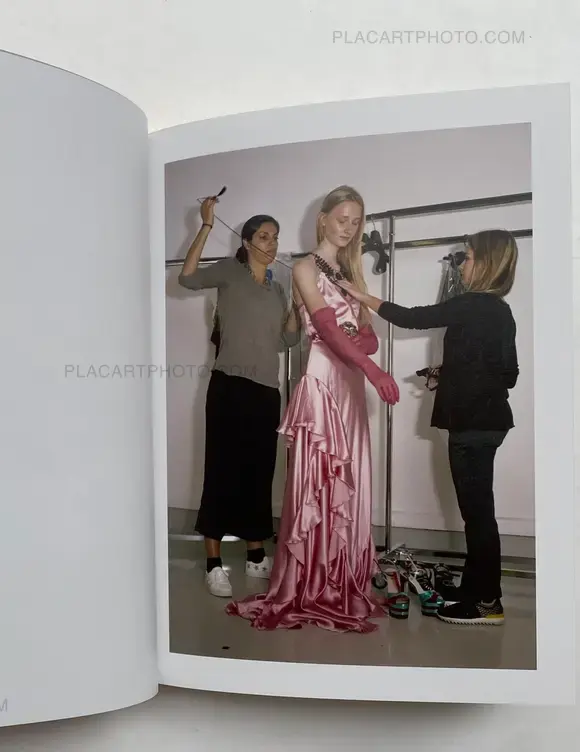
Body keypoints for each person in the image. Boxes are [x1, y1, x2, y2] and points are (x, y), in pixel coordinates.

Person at [226, 185, 399, 633]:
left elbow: (367, 337)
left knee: (350, 481)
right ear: (323, 219)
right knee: (320, 482)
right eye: (342, 218)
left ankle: (343, 578)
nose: (349, 228)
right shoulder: (304, 267)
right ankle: (314, 581)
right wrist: (373, 368)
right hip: (324, 380)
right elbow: (328, 331)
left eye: (356, 221)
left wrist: (363, 347)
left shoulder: (350, 272)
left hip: (351, 383)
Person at [338, 229, 519, 626]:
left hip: (472, 426)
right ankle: (474, 589)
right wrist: (451, 373)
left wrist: (360, 295)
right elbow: (509, 374)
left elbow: (412, 318)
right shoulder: (500, 311)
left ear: (486, 263)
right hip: (489, 423)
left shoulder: (472, 304)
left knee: (478, 517)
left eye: (468, 257)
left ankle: (487, 602)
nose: (462, 264)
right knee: (479, 514)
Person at [178, 195, 301, 598]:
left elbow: (287, 341)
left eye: (275, 237)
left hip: (266, 391)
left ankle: (255, 555)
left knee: (258, 474)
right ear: (247, 242)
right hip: (229, 387)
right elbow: (187, 278)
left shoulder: (277, 289)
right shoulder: (230, 271)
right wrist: (206, 224)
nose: (271, 243)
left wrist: (297, 306)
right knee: (222, 471)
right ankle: (213, 564)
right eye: (264, 236)